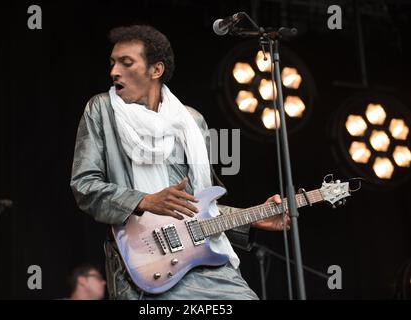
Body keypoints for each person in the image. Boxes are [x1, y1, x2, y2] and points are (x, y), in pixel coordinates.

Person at [70, 25, 290, 300]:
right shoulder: (101, 110)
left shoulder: (192, 121)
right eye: (113, 63)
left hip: (207, 262)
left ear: (156, 70)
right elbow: (84, 186)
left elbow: (198, 207)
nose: (114, 71)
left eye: (126, 63)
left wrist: (252, 218)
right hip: (145, 267)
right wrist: (143, 201)